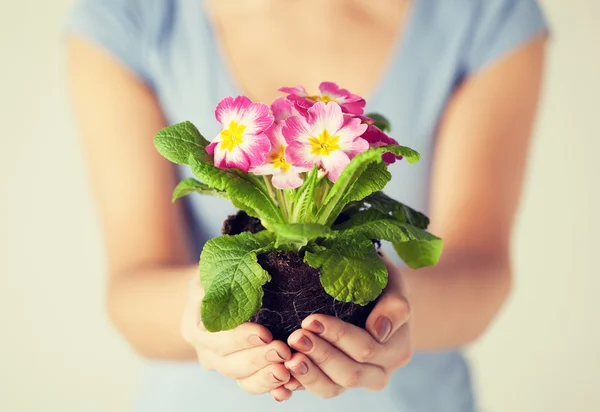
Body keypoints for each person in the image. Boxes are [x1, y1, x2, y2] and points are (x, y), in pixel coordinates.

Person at [65, 0, 548, 411]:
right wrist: (200, 306)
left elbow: (482, 271)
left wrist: (397, 312)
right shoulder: (131, 14)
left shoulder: (485, 14)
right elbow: (130, 289)